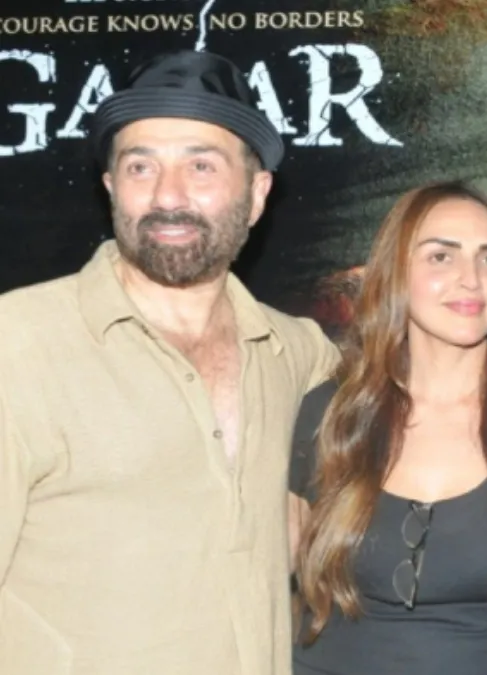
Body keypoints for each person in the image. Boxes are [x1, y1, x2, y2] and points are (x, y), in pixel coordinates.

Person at [0, 50, 340, 675]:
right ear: (111, 188)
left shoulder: (300, 354)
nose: (167, 195)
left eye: (201, 165)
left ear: (257, 193)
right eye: (141, 166)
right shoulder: (16, 345)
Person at [287, 181, 487, 675]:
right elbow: (269, 585)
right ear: (395, 273)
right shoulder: (331, 413)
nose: (471, 280)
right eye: (442, 257)